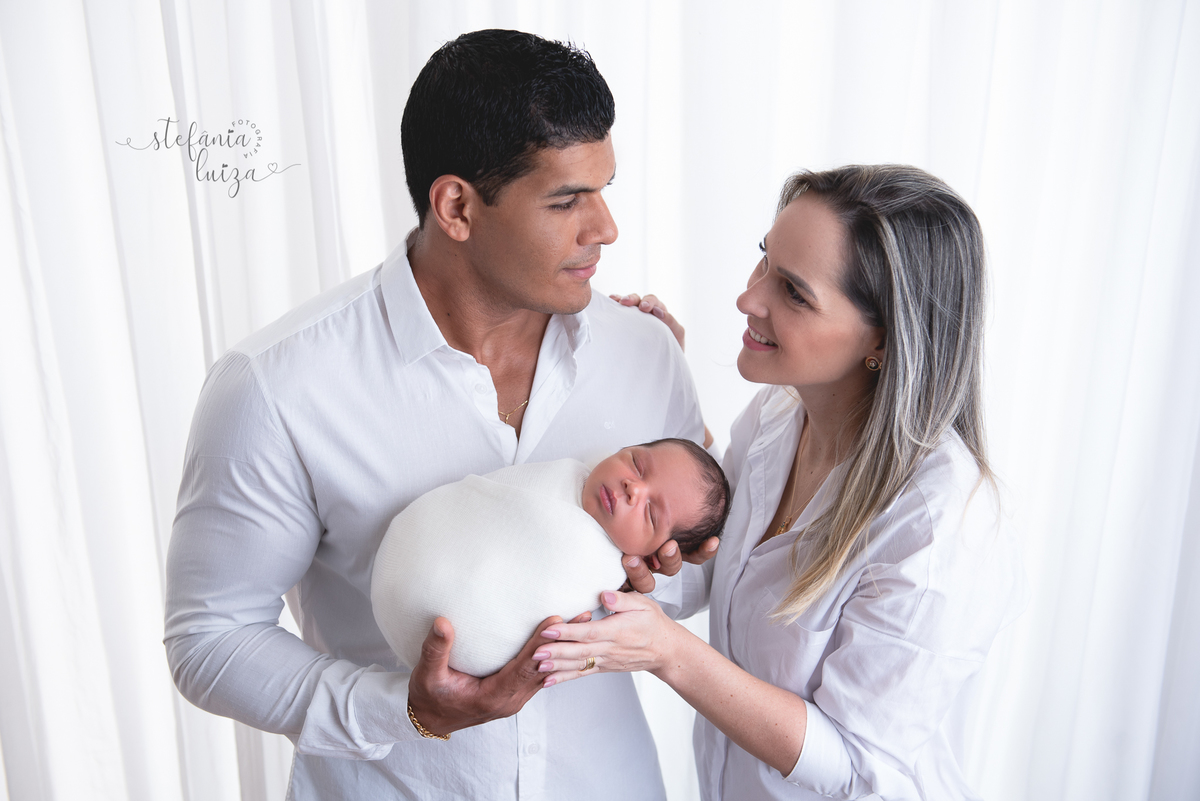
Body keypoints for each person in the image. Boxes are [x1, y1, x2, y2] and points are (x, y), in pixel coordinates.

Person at [164, 29, 718, 801]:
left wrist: (659, 571)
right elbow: (210, 637)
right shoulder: (276, 386)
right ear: (457, 205)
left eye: (604, 190)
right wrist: (405, 711)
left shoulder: (645, 352)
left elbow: (690, 586)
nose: (605, 228)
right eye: (567, 200)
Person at [534, 165, 1027, 799]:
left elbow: (857, 764)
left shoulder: (939, 527)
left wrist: (668, 652)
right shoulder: (779, 415)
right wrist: (664, 385)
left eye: (794, 292)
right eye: (765, 259)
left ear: (882, 339)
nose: (749, 299)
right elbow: (710, 551)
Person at [372, 438, 731, 677]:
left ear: (654, 556)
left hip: (464, 644)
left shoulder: (604, 573)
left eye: (651, 513)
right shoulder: (569, 473)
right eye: (637, 464)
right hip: (412, 552)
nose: (633, 488)